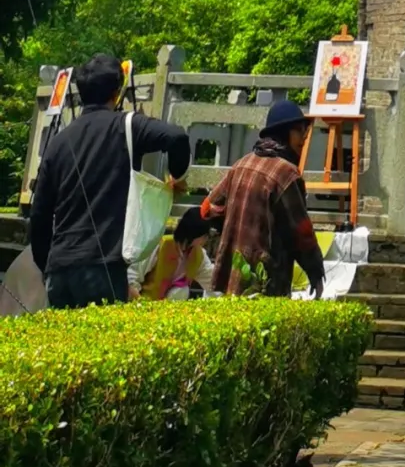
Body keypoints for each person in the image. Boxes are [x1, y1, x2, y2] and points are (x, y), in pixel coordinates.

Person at [29, 52, 191, 309]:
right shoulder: (126, 125)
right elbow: (177, 137)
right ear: (117, 92)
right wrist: (176, 175)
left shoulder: (59, 141)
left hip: (59, 270)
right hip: (103, 266)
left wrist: (47, 265)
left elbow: (39, 217)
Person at [175, 97, 324, 298]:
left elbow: (206, 209)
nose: (304, 138)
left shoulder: (241, 164)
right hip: (264, 282)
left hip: (231, 278)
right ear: (283, 132)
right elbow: (301, 232)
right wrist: (315, 270)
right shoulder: (287, 174)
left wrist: (229, 225)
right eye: (299, 131)